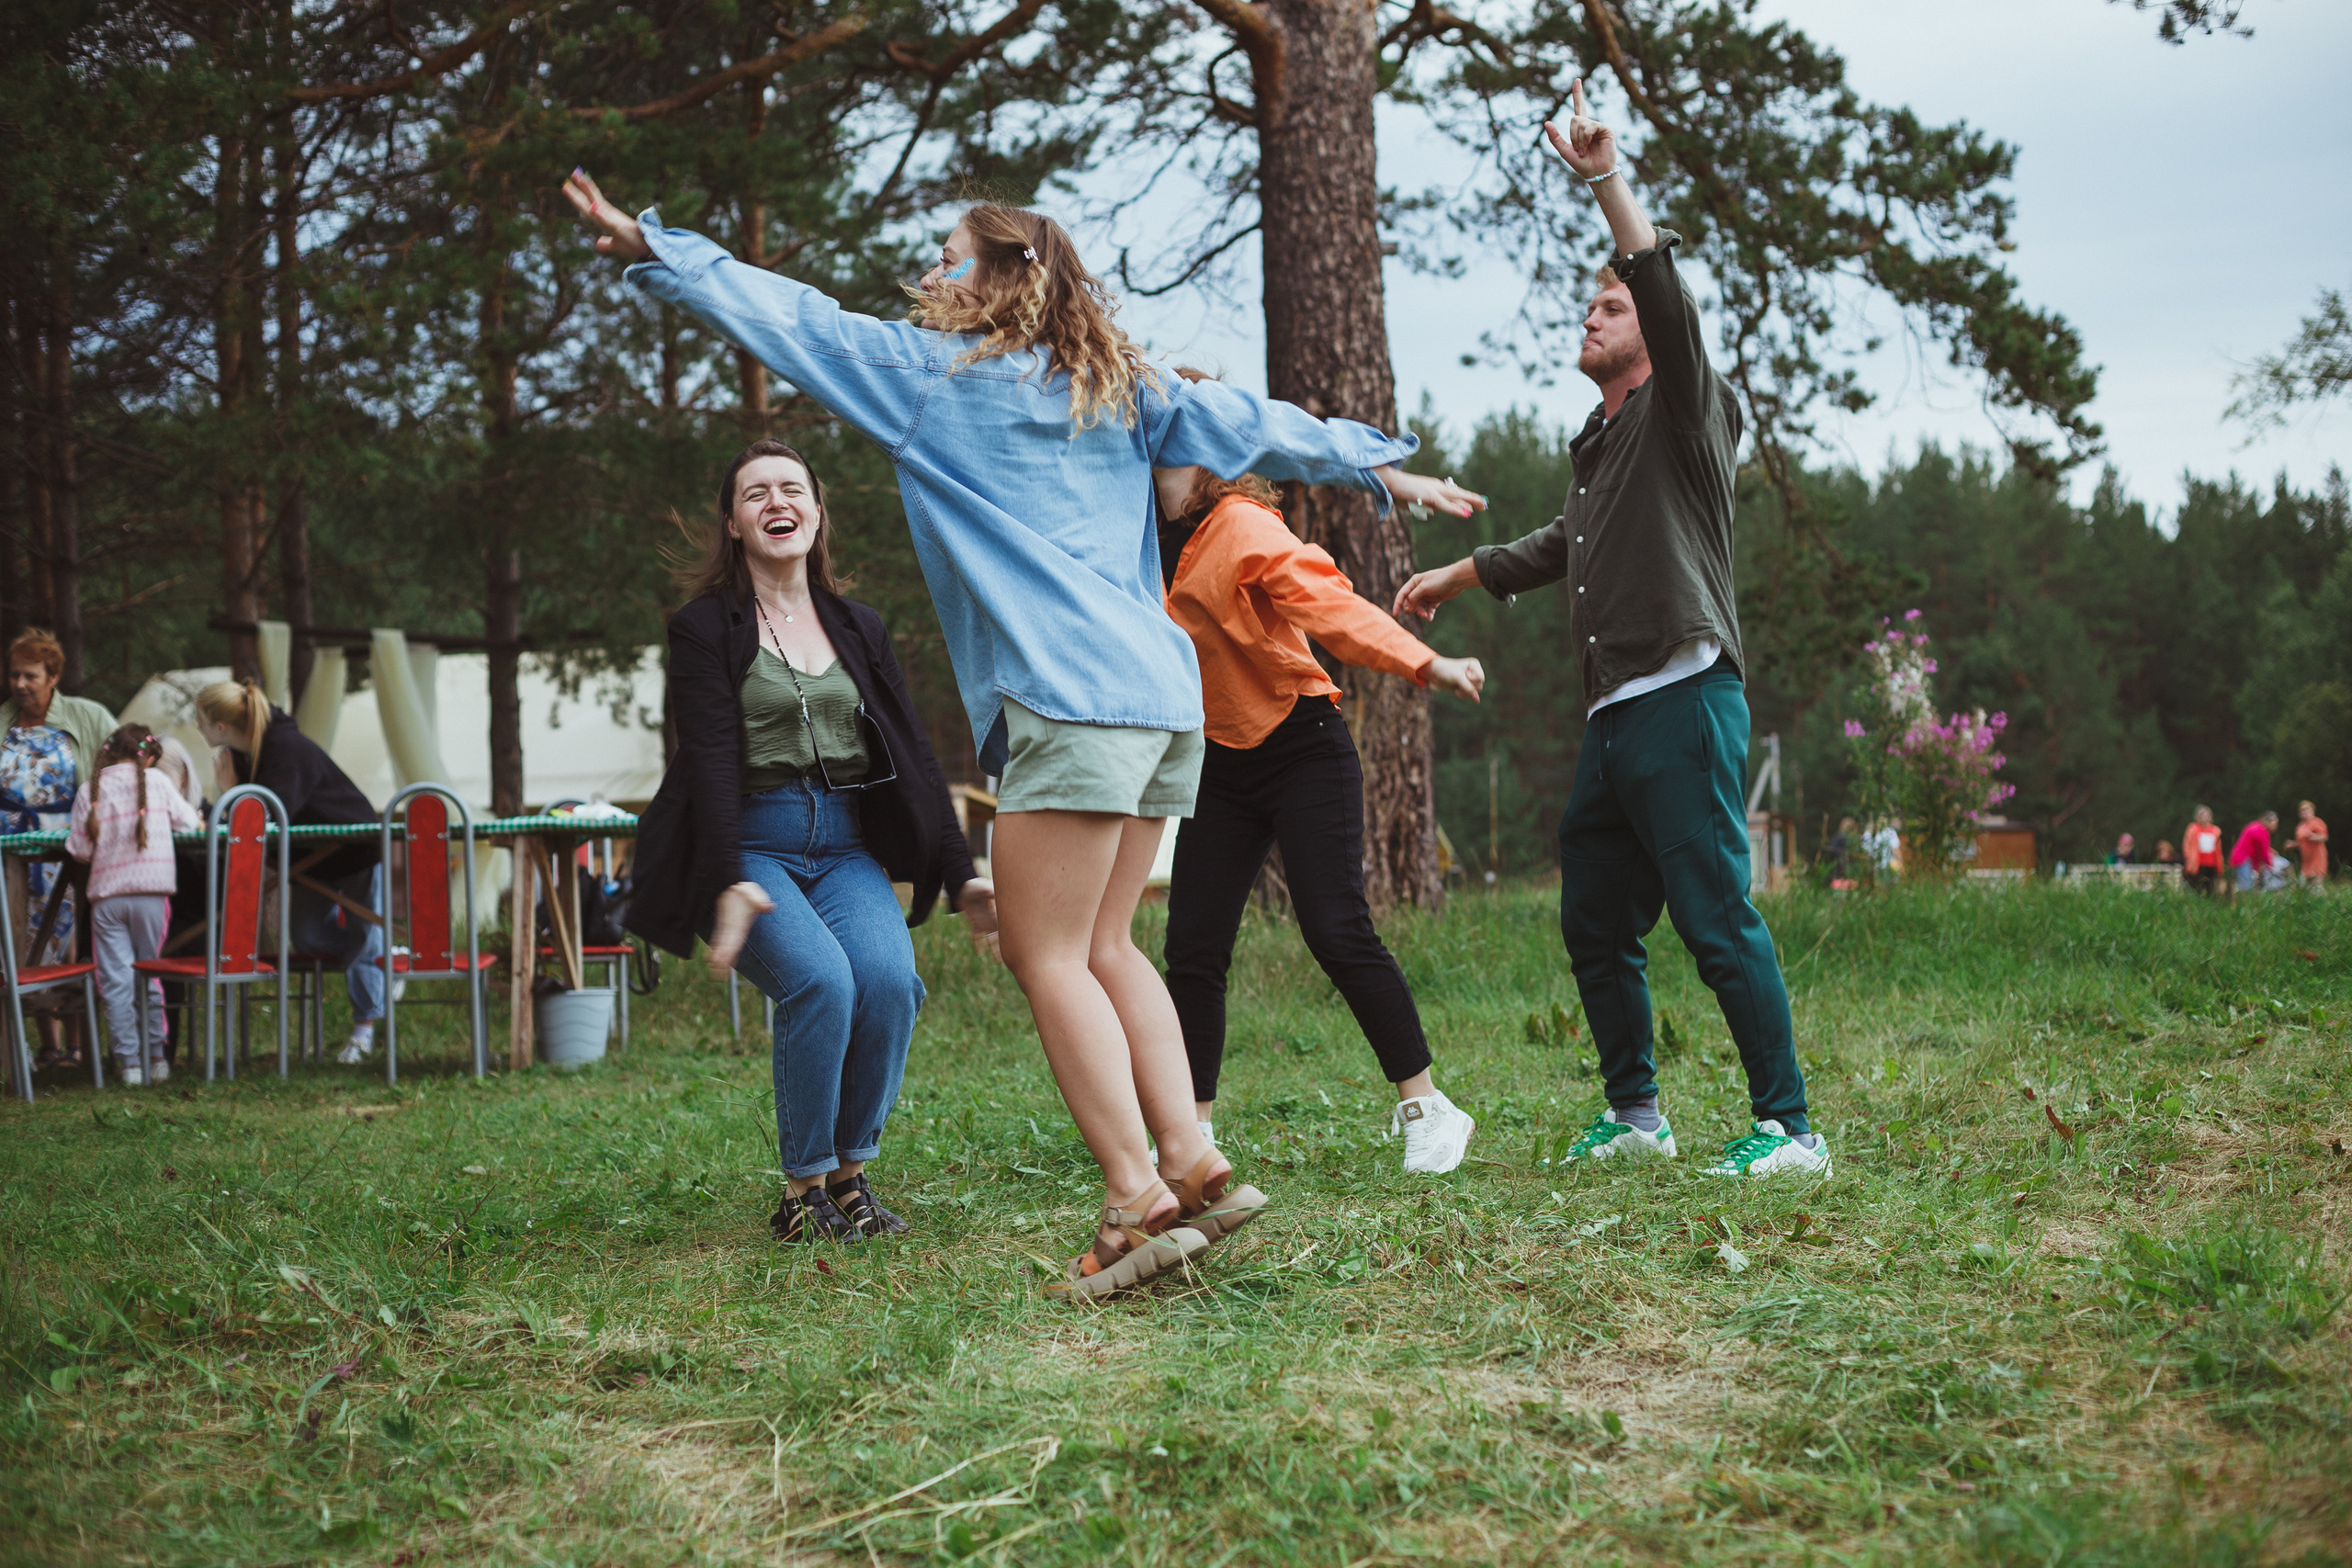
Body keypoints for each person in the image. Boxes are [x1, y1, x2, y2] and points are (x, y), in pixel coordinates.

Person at [563, 171, 1483, 1298]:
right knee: (1109, 947)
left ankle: (1133, 1197)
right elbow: (1254, 424)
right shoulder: (1120, 385)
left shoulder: (928, 378)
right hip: (1165, 702)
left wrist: (655, 247)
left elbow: (791, 318)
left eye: (949, 256)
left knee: (1046, 955)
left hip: (1071, 698)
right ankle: (1192, 1161)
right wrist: (1378, 464)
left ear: (1001, 278)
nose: (930, 274)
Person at [1393, 79, 1826, 1182]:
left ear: (1653, 337)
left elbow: (1661, 289)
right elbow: (1564, 543)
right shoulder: (1601, 441)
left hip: (1682, 698)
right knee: (1593, 916)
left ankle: (1790, 1133)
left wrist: (1604, 180)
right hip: (1617, 714)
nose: (1592, 318)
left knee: (1714, 917)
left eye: (1611, 309)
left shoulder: (1685, 408)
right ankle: (1638, 1117)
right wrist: (1461, 573)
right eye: (1589, 308)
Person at [627, 437, 990, 1243]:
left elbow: (913, 751)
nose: (776, 502)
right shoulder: (704, 627)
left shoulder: (859, 626)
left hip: (845, 844)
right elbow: (709, 755)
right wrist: (728, 874)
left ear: (817, 513)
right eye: (755, 493)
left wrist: (962, 871)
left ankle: (851, 1178)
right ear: (733, 524)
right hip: (753, 842)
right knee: (821, 982)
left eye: (791, 488)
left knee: (889, 982)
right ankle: (802, 1192)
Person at [1156, 458, 1485, 1175]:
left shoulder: (1239, 525)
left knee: (1337, 928)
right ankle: (1193, 1131)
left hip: (1301, 746)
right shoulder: (1133, 536)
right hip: (1217, 759)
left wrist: (1426, 664)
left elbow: (1328, 605)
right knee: (1194, 946)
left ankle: (1429, 1106)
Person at [193, 680, 385, 1063]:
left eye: (199, 720)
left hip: (355, 848)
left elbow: (261, 820)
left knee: (364, 936)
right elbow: (246, 822)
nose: (196, 727)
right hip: (310, 861)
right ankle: (383, 958)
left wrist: (229, 792)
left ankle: (364, 1028)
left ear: (221, 727)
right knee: (308, 936)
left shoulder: (287, 750)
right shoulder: (242, 755)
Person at [0, 628, 116, 1067]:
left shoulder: (87, 716)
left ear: (53, 676)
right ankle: (46, 1043)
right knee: (16, 941)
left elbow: (128, 763)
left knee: (67, 937)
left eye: (30, 675)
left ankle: (79, 1044)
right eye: (14, 674)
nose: (20, 684)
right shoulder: (3, 721)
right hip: (10, 848)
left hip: (68, 847)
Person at [64, 725, 201, 1085]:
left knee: (116, 982)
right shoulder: (158, 783)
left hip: (107, 899)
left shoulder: (89, 790)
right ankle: (157, 1057)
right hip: (152, 894)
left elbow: (80, 850)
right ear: (150, 757)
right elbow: (190, 822)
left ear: (108, 753)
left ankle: (129, 1064)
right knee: (149, 974)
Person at [2228, 810, 2278, 894]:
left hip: (2240, 858)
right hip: (2243, 859)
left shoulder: (2255, 826)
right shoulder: (2262, 831)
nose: (2276, 825)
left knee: (2246, 885)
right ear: (2268, 821)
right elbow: (2264, 852)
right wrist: (2271, 867)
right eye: (2275, 823)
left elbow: (2257, 848)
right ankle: (2242, 901)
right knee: (2246, 887)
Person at [2181, 807, 2222, 896]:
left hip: (2211, 863)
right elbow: (2186, 845)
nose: (2204, 818)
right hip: (2197, 864)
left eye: (2206, 815)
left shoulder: (2215, 831)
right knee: (2197, 887)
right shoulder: (2192, 829)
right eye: (2201, 815)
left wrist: (2219, 865)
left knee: (2210, 887)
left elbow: (2218, 849)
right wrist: (2188, 858)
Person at [2294, 800, 2328, 886]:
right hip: (2306, 860)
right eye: (2302, 811)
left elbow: (2324, 837)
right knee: (2302, 885)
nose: (2304, 812)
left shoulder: (2317, 822)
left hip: (2317, 857)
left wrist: (2314, 836)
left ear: (2312, 811)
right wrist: (2292, 844)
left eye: (2306, 810)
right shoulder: (2301, 826)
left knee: (2316, 885)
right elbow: (2300, 842)